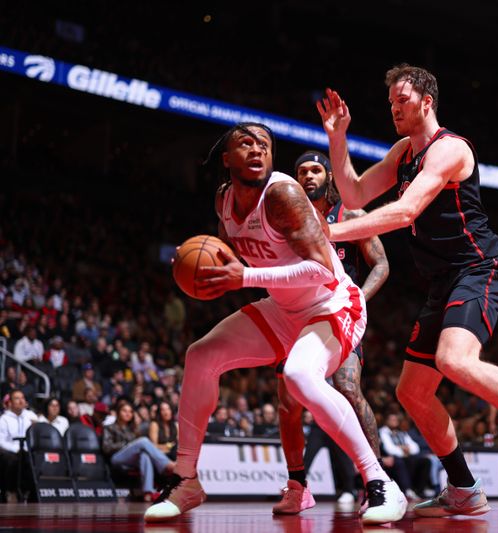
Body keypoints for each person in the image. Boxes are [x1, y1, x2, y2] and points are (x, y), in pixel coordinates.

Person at [317, 64, 498, 516]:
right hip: (443, 282)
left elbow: (406, 211)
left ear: (427, 102)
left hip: (481, 267)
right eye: (391, 102)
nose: (395, 108)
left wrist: (328, 235)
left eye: (403, 100)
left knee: (454, 360)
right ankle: (464, 488)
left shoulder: (449, 149)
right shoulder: (402, 153)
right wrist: (338, 137)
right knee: (412, 391)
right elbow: (352, 196)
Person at [144, 123, 406, 524]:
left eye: (264, 144)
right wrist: (200, 264)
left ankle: (380, 482)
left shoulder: (283, 195)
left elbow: (320, 271)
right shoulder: (224, 202)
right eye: (245, 143)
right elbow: (229, 251)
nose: (256, 149)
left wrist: (245, 278)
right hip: (283, 308)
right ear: (227, 159)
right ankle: (186, 480)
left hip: (333, 302)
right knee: (201, 356)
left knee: (301, 375)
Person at [270, 150, 391, 514]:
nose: (308, 176)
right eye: (302, 171)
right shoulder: (286, 221)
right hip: (295, 316)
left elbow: (381, 264)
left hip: (337, 317)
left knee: (349, 388)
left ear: (328, 177)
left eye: (316, 170)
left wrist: (361, 300)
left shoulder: (350, 216)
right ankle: (298, 486)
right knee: (287, 402)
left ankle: (376, 481)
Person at [103, 400, 175, 502]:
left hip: (131, 459)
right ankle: (167, 465)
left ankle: (147, 492)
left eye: (130, 411)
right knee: (143, 441)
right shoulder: (110, 427)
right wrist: (126, 445)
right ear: (118, 412)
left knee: (144, 455)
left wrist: (131, 446)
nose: (128, 413)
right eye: (124, 411)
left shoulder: (132, 429)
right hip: (116, 457)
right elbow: (106, 447)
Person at [0, 390, 37, 502]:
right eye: (17, 398)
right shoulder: (3, 419)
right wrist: (16, 449)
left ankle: (31, 493)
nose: (21, 401)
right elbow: (1, 441)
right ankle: (11, 491)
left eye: (23, 398)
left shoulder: (29, 417)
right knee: (12, 459)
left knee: (36, 459)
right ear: (10, 403)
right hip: (10, 450)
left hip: (27, 450)